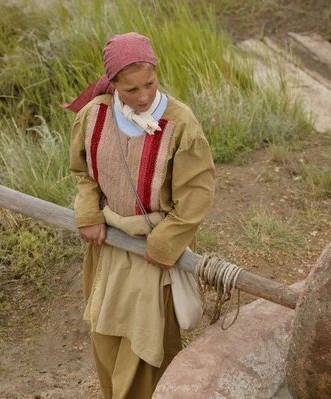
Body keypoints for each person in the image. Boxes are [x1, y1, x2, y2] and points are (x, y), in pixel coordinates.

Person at [66, 32, 215, 399]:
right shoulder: (94, 116)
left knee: (146, 347)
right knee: (105, 334)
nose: (144, 96)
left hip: (154, 252)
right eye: (131, 90)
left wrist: (164, 242)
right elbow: (83, 172)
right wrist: (88, 211)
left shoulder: (181, 124)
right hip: (108, 249)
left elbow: (196, 194)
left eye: (150, 84)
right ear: (113, 84)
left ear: (156, 72)